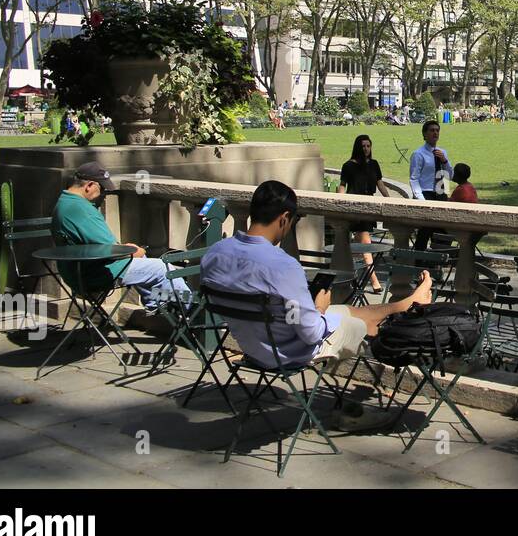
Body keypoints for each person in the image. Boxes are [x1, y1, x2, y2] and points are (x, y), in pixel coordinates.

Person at [200, 180, 433, 377]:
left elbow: (290, 313)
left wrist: (315, 310)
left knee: (349, 311)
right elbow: (310, 333)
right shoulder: (281, 266)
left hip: (254, 345)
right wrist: (320, 309)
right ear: (284, 218)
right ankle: (409, 313)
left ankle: (402, 305)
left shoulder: (214, 254)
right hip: (289, 352)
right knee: (365, 325)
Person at [50, 161, 191, 309]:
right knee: (161, 267)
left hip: (76, 271)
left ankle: (158, 303)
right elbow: (112, 250)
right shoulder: (82, 210)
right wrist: (134, 251)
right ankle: (189, 307)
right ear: (89, 186)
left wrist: (128, 250)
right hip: (93, 274)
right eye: (102, 188)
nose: (103, 193)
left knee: (146, 265)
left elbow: (100, 245)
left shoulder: (64, 202)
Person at [338, 135, 391, 247]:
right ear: (358, 147)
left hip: (369, 205)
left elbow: (380, 183)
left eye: (368, 146)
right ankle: (369, 264)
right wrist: (339, 202)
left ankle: (356, 262)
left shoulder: (374, 164)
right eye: (363, 146)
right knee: (365, 239)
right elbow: (342, 185)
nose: (366, 148)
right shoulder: (348, 165)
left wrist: (389, 199)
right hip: (355, 205)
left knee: (360, 239)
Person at [409, 120, 452, 250]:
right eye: (432, 130)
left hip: (440, 193)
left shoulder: (442, 152)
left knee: (442, 232)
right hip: (426, 194)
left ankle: (436, 262)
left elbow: (450, 175)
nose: (435, 133)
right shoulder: (418, 154)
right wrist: (420, 199)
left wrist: (444, 160)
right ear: (424, 134)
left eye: (437, 130)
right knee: (424, 232)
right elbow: (414, 178)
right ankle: (419, 263)